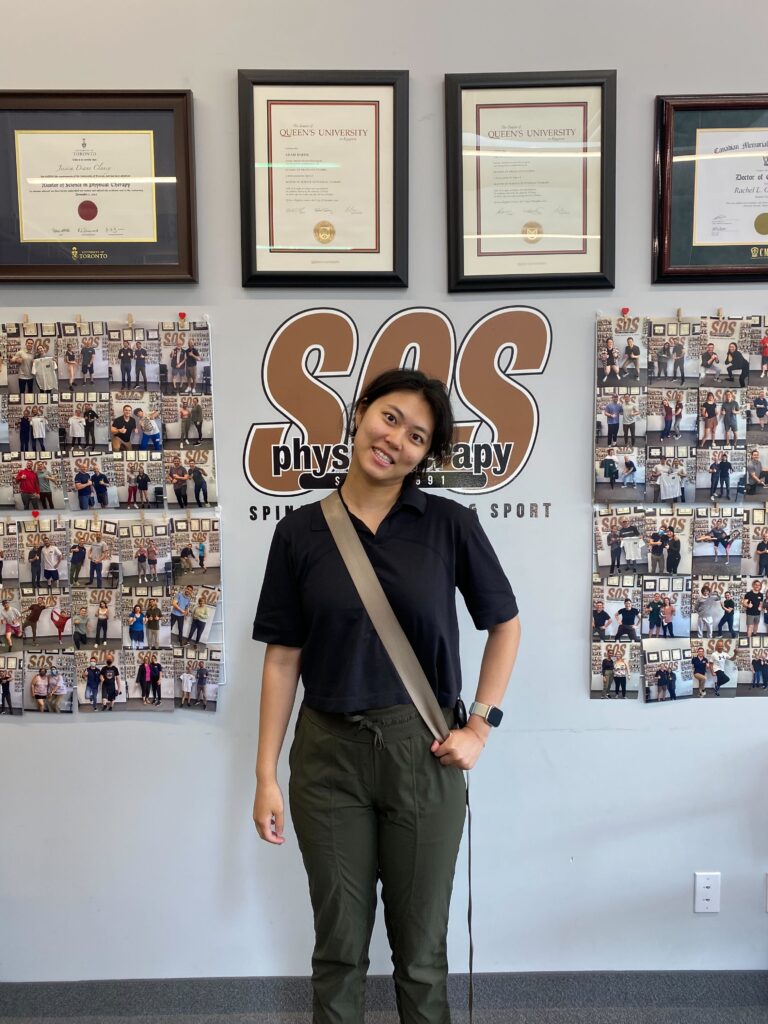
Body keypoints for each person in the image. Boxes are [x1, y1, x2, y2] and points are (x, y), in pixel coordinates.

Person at [251, 368, 520, 1021]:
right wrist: (265, 776)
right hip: (327, 756)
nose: (396, 439)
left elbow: (505, 624)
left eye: (417, 436)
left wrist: (480, 725)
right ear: (361, 413)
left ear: (425, 456)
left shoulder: (448, 524)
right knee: (338, 951)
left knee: (421, 956)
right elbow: (282, 659)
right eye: (390, 418)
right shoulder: (300, 532)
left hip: (422, 753)